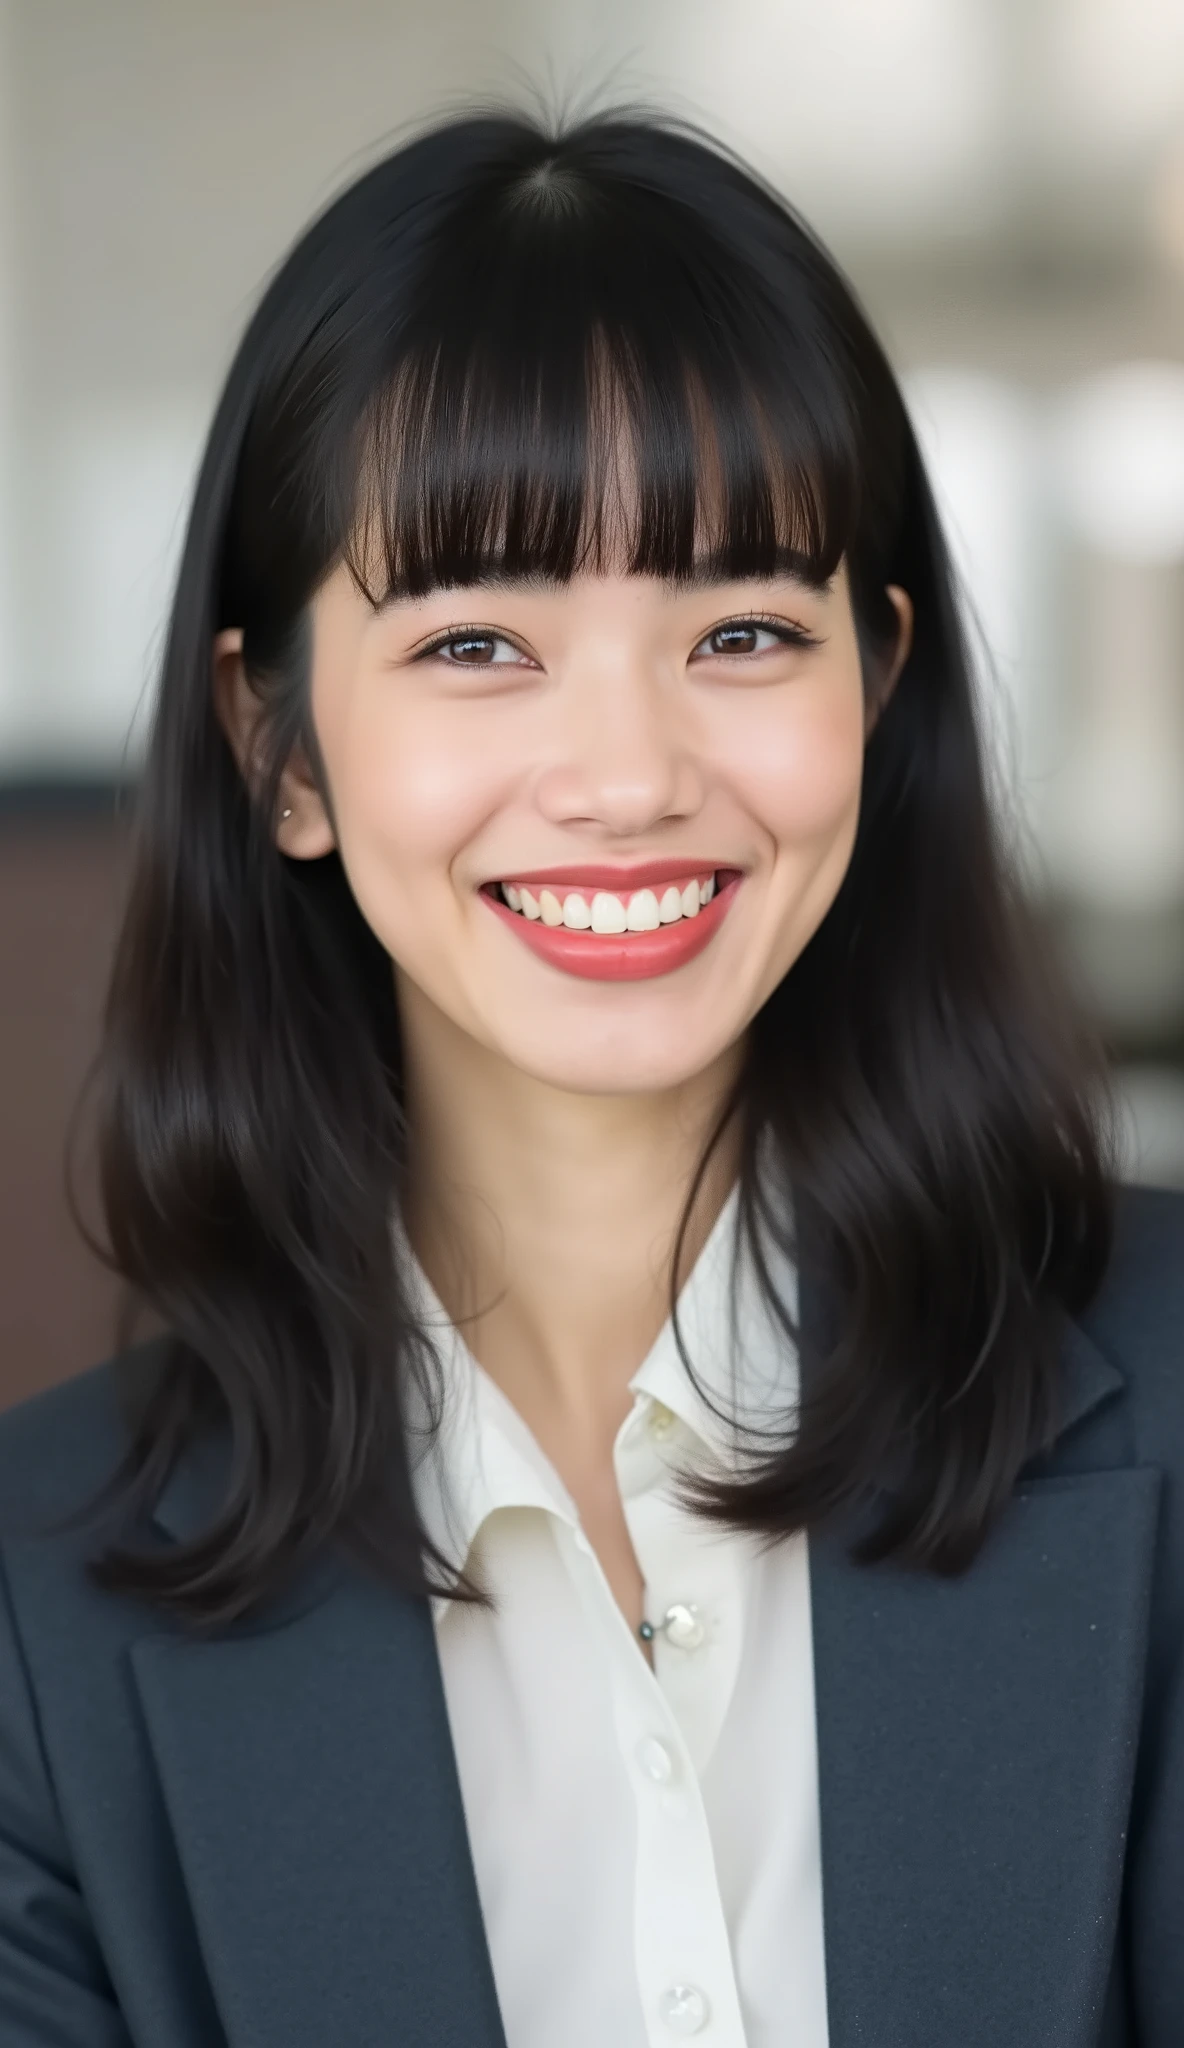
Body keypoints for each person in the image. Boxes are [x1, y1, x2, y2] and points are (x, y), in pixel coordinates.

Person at [0, 102, 1180, 2048]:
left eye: (738, 628)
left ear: (873, 693)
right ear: (277, 741)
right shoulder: (39, 1622)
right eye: (478, 642)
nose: (628, 775)